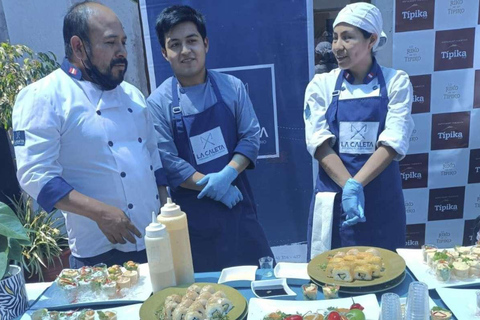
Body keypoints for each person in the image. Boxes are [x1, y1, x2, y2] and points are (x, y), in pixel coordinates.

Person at [12, 1, 168, 268]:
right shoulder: (44, 96)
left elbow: (153, 159)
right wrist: (100, 213)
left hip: (153, 241)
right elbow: (36, 175)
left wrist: (167, 213)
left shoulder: (132, 94)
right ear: (78, 47)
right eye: (110, 43)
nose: (121, 52)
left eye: (123, 42)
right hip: (99, 254)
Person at [147, 5, 273, 272]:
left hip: (238, 205)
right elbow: (168, 162)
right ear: (164, 53)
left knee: (255, 282)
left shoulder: (232, 87)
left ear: (205, 43)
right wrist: (212, 187)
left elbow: (250, 137)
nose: (185, 51)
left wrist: (226, 176)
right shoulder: (157, 103)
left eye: (192, 41)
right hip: (192, 219)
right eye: (175, 44)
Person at [304, 3, 414, 258]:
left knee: (383, 272)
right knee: (331, 276)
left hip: (381, 201)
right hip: (334, 198)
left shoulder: (397, 82)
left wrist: (356, 186)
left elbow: (392, 142)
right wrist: (349, 187)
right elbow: (319, 143)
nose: (337, 46)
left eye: (348, 37)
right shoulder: (321, 84)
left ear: (371, 40)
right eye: (334, 37)